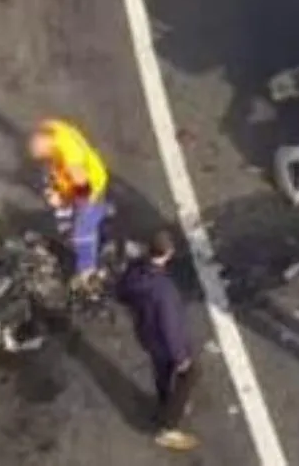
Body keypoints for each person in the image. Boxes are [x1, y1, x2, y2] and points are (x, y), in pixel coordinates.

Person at [116, 232, 199, 451]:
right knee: (189, 373)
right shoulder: (164, 290)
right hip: (164, 341)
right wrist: (181, 356)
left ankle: (165, 402)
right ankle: (169, 426)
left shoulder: (135, 271)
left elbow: (121, 292)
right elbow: (170, 327)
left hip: (147, 334)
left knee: (161, 371)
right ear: (167, 254)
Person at [28, 119, 110, 288]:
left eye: (39, 151)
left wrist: (62, 199)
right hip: (68, 180)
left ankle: (87, 273)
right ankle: (97, 216)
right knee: (64, 217)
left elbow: (84, 191)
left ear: (46, 144)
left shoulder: (71, 157)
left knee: (82, 234)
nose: (36, 154)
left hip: (90, 190)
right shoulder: (51, 128)